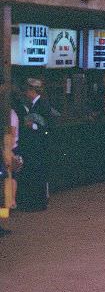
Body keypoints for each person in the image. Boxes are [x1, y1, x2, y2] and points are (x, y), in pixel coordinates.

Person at [16, 78, 52, 211]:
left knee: (38, 174)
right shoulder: (33, 105)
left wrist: (34, 126)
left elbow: (48, 125)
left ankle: (39, 203)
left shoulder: (42, 104)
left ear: (32, 91)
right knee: (35, 173)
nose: (26, 93)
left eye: (27, 91)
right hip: (34, 146)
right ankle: (36, 202)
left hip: (39, 146)